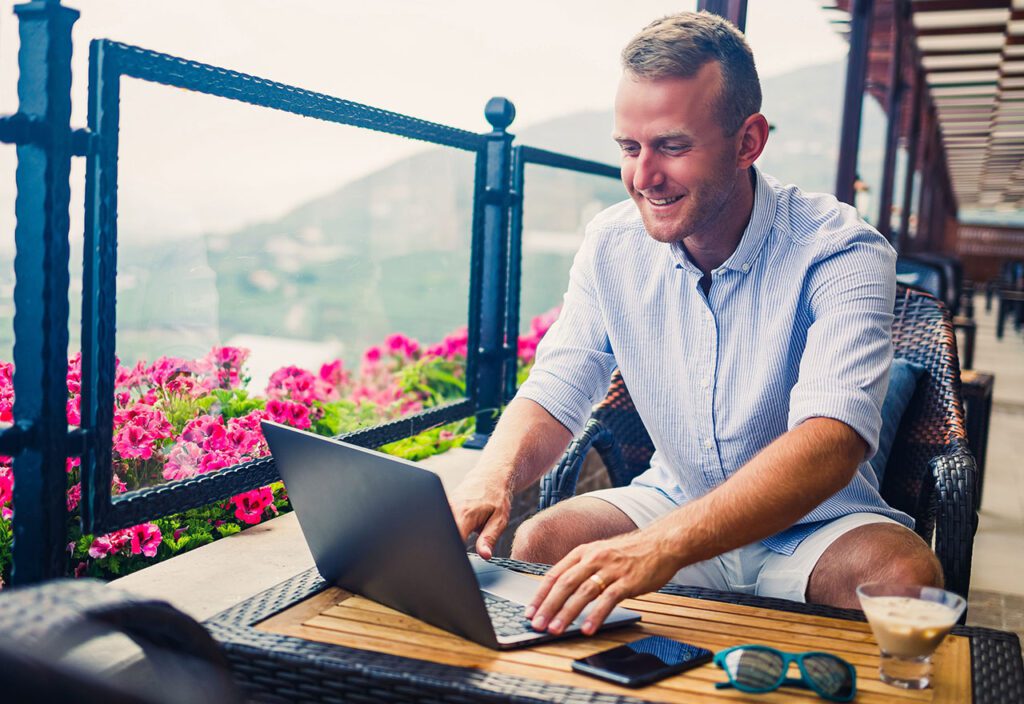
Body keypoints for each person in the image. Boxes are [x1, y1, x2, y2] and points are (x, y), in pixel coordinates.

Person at [449, 11, 942, 638]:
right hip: (672, 496)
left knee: (906, 582)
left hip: (817, 524)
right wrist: (489, 477)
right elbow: (558, 385)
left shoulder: (840, 247)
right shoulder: (610, 245)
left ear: (749, 141)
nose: (642, 177)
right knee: (545, 539)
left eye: (672, 147)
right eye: (630, 148)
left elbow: (833, 439)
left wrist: (663, 546)